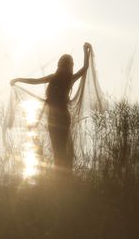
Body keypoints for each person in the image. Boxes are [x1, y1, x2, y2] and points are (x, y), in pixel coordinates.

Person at [10, 42, 91, 171]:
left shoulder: (56, 78)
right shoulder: (68, 78)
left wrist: (18, 79)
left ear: (59, 65)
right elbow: (85, 67)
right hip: (61, 118)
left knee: (58, 148)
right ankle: (62, 176)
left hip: (56, 118)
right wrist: (85, 50)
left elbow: (34, 81)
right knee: (60, 148)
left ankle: (60, 177)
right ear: (70, 66)